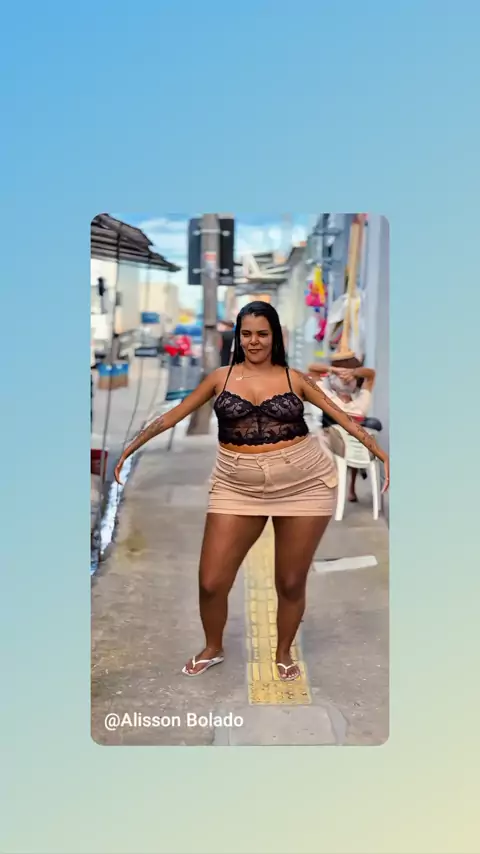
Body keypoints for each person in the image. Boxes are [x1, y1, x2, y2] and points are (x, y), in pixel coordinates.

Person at [114, 302, 389, 682]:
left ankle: (283, 652)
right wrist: (130, 447)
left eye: (262, 333)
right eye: (246, 333)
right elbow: (172, 415)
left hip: (305, 484)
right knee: (211, 581)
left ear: (275, 336)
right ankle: (213, 647)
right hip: (236, 486)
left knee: (290, 582)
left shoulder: (295, 379)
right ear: (238, 337)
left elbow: (345, 419)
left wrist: (380, 455)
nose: (254, 341)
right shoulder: (220, 378)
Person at [308, 355, 376, 501]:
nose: (344, 379)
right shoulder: (330, 397)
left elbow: (371, 374)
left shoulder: (360, 399)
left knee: (320, 436)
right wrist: (336, 370)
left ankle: (333, 485)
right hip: (346, 447)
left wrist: (352, 372)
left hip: (349, 448)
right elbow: (312, 369)